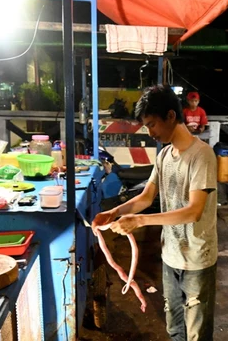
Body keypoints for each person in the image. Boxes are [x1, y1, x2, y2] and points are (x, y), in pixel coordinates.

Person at [92, 85, 218, 341]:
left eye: (152, 124)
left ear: (171, 116)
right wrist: (114, 212)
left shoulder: (201, 155)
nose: (150, 133)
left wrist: (139, 220)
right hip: (171, 254)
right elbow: (146, 197)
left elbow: (194, 211)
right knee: (174, 328)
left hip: (196, 259)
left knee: (197, 333)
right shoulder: (164, 157)